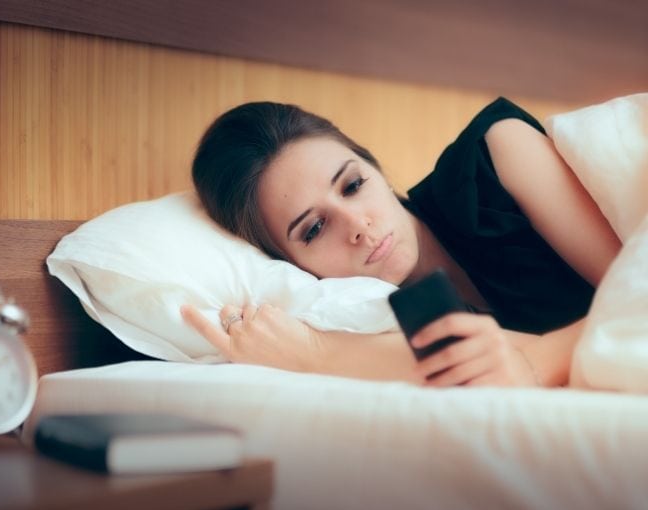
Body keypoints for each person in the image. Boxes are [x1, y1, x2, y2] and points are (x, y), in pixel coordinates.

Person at [180, 98, 622, 387]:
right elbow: (468, 373)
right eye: (313, 229)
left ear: (377, 169)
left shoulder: (496, 155)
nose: (357, 224)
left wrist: (533, 364)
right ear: (288, 262)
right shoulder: (360, 315)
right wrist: (315, 351)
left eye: (352, 185)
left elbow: (636, 293)